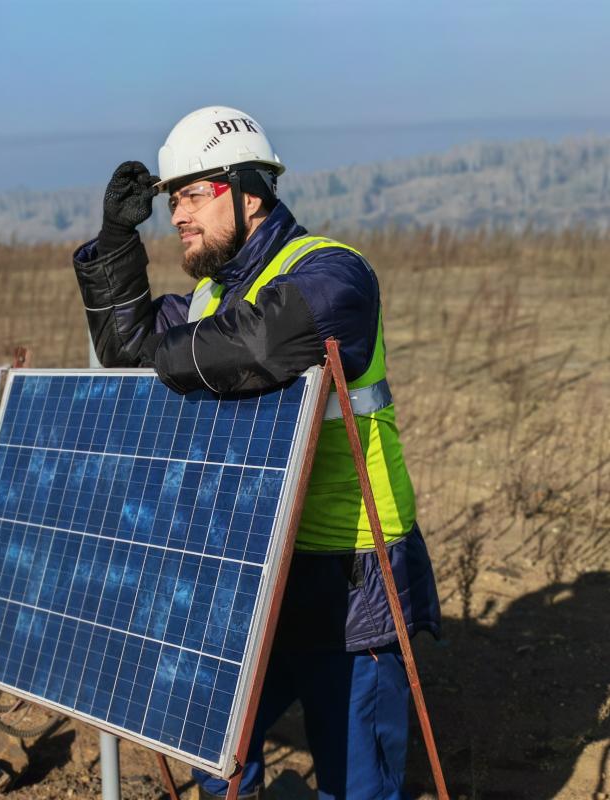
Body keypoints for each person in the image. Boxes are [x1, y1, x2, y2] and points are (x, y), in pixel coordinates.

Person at [72, 106, 442, 800]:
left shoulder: (333, 274)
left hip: (350, 571)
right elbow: (126, 349)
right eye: (170, 200)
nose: (176, 215)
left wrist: (159, 355)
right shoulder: (214, 293)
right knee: (220, 756)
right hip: (254, 565)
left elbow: (259, 345)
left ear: (247, 191)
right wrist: (118, 243)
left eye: (191, 195)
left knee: (355, 782)